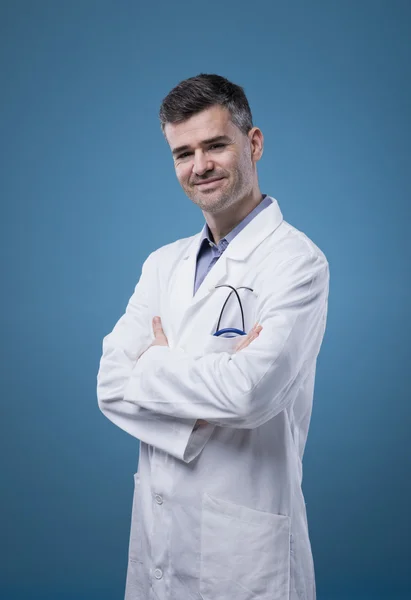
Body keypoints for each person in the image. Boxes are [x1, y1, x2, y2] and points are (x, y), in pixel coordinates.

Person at [96, 73, 329, 600]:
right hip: (158, 541)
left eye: (215, 145)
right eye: (183, 152)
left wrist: (154, 366)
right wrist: (212, 385)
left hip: (246, 554)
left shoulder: (297, 263)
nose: (199, 165)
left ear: (254, 143)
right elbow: (109, 384)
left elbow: (249, 394)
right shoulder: (162, 264)